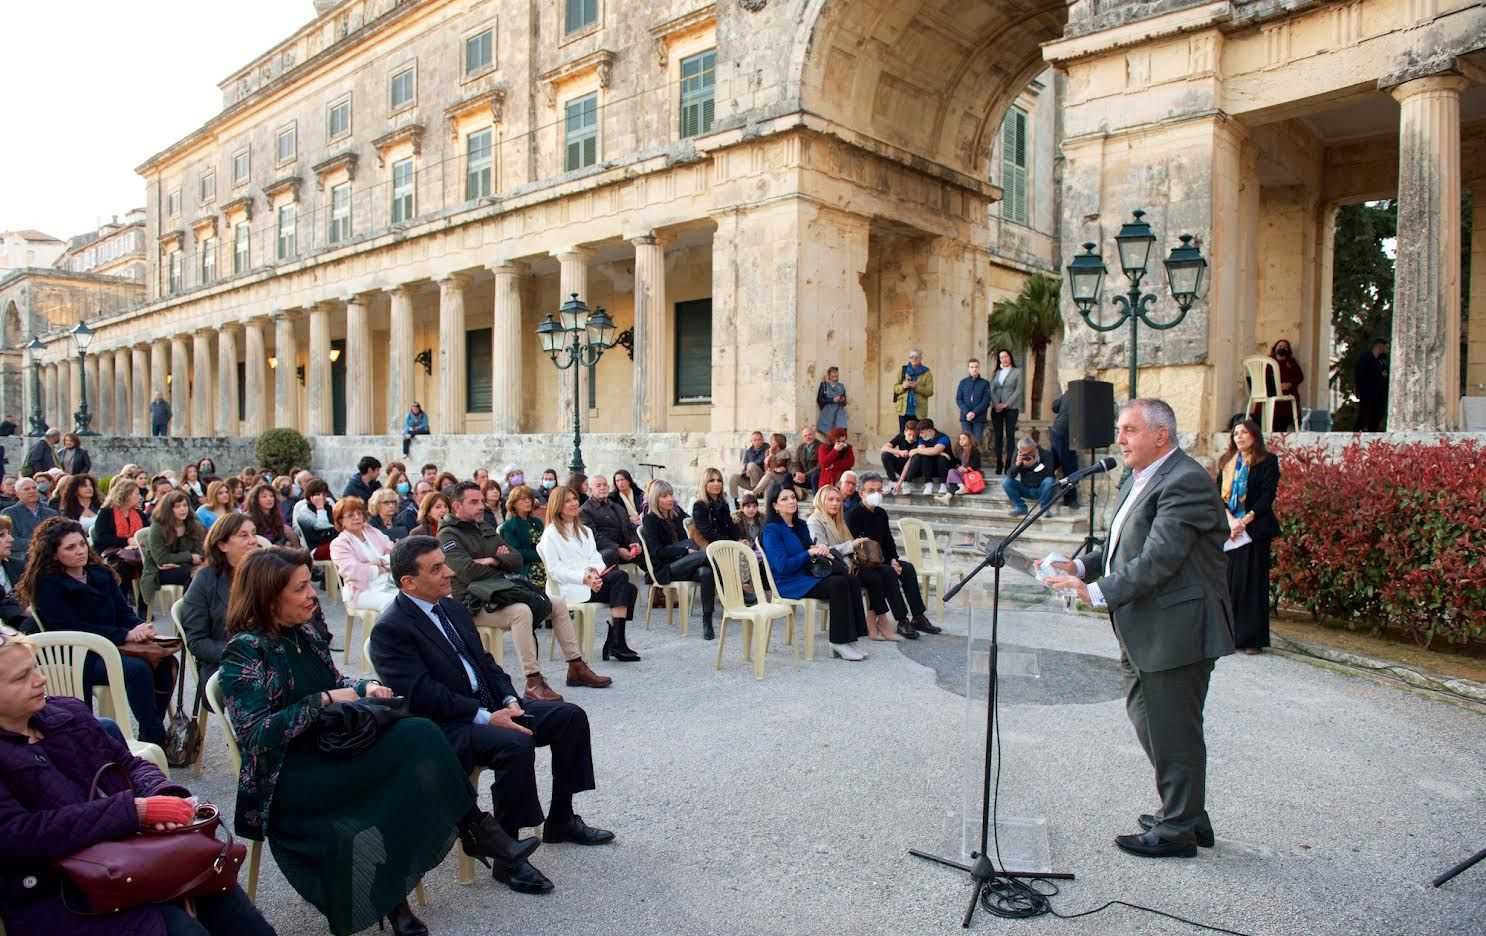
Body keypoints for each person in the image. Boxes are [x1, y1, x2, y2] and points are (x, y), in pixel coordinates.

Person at [219, 547, 522, 936]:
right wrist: (321, 702)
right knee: (396, 781)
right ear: (268, 596)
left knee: (420, 731)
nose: (313, 594)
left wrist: (366, 685)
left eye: (310, 583)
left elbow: (334, 681)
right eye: (300, 588)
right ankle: (404, 896)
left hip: (332, 748)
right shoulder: (245, 650)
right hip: (290, 775)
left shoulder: (305, 632)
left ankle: (473, 828)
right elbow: (256, 734)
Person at [1040, 398, 1235, 858]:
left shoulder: (1185, 480)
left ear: (1160, 436)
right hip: (1144, 626)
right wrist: (1081, 566)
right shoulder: (1138, 478)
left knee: (1175, 729)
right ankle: (1186, 812)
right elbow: (1118, 547)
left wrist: (1095, 591)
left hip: (1177, 628)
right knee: (1150, 719)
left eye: (1129, 430)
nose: (1120, 439)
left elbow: (1158, 560)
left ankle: (1178, 829)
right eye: (1119, 429)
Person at [370, 537, 610, 898]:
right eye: (436, 568)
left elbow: (485, 663)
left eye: (444, 563)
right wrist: (485, 716)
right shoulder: (391, 629)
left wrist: (510, 699)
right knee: (514, 742)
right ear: (408, 582)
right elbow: (423, 696)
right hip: (446, 727)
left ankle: (561, 819)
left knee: (569, 717)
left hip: (489, 708)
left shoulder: (450, 608)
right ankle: (507, 856)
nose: (449, 571)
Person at [0, 626, 280, 936]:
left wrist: (163, 795)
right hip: (62, 890)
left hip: (136, 854)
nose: (40, 679)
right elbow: (17, 836)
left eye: (35, 668)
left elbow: (129, 764)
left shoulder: (66, 713)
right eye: (20, 678)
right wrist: (136, 811)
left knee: (241, 917)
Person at [442, 482, 608, 700]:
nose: (481, 506)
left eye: (481, 501)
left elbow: (516, 559)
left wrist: (493, 559)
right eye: (474, 502)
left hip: (504, 592)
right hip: (475, 602)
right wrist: (500, 562)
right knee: (521, 611)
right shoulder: (448, 535)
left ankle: (576, 667)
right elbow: (467, 571)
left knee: (556, 603)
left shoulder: (484, 527)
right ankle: (533, 680)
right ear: (457, 506)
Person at [19, 518, 176, 747]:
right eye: (70, 548)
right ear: (54, 554)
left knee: (167, 662)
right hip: (80, 656)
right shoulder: (48, 584)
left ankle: (150, 731)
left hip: (114, 645)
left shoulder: (98, 573)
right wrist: (124, 635)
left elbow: (123, 610)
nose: (80, 551)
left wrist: (139, 628)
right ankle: (156, 738)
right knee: (137, 669)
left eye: (82, 544)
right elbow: (72, 628)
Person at [760, 484, 870, 660]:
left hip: (806, 575)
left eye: (793, 497)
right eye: (784, 499)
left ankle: (850, 639)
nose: (791, 501)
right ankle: (838, 642)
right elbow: (782, 566)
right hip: (788, 582)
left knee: (850, 579)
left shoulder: (800, 525)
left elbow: (809, 549)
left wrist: (820, 549)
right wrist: (809, 553)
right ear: (775, 505)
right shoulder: (772, 530)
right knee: (838, 584)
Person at [540, 486, 640, 662]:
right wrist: (584, 577)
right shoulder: (551, 534)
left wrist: (595, 573)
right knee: (622, 580)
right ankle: (616, 643)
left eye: (574, 499)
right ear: (557, 505)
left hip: (592, 581)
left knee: (628, 587)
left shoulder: (584, 530)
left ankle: (615, 642)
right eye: (567, 501)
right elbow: (555, 570)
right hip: (569, 587)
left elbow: (595, 556)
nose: (573, 503)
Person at [809, 485, 908, 641]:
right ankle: (880, 623)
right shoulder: (815, 521)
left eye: (838, 500)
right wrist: (852, 545)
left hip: (847, 565)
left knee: (886, 571)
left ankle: (880, 621)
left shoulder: (838, 520)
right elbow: (823, 550)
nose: (835, 504)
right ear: (821, 500)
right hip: (830, 570)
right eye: (830, 500)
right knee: (874, 577)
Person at [847, 473, 940, 636]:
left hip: (883, 561)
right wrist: (887, 564)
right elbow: (860, 547)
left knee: (908, 568)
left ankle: (918, 616)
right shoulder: (853, 515)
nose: (876, 494)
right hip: (864, 564)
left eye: (878, 490)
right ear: (861, 492)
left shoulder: (881, 513)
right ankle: (902, 620)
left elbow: (888, 540)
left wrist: (894, 560)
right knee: (889, 572)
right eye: (871, 490)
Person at [1218, 418, 1280, 655]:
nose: (1239, 437)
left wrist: (1245, 520)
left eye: (1244, 433)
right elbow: (1219, 496)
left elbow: (1267, 494)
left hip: (1254, 530)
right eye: (1235, 434)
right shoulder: (1227, 463)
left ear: (1254, 435)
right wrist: (1231, 521)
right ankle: (1228, 635)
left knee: (1252, 583)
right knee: (1230, 582)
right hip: (1231, 529)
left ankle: (1252, 639)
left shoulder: (1267, 461)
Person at [179, 512, 259, 677]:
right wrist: (241, 654)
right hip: (228, 664)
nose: (253, 540)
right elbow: (197, 641)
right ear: (223, 545)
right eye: (243, 535)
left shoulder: (266, 573)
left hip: (272, 658)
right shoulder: (205, 580)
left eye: (254, 533)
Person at [640, 480, 718, 640]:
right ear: (655, 499)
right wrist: (685, 551)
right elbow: (658, 552)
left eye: (670, 495)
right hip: (665, 569)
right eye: (664, 496)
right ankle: (733, 588)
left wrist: (688, 551)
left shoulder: (674, 516)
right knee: (708, 554)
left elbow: (688, 537)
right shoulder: (650, 520)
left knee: (706, 572)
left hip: (683, 564)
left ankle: (707, 620)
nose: (669, 499)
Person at [329, 496, 398, 613]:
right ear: (340, 521)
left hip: (389, 582)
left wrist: (378, 562)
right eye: (350, 515)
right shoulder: (339, 544)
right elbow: (353, 571)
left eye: (359, 513)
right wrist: (380, 569)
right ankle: (389, 631)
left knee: (414, 597)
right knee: (392, 602)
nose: (357, 517)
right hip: (361, 591)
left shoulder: (371, 531)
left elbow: (395, 553)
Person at [140, 490, 205, 607]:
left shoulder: (193, 525)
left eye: (185, 505)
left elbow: (199, 553)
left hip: (186, 566)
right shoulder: (158, 527)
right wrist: (189, 557)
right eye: (177, 506)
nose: (183, 509)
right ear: (168, 509)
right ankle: (187, 611)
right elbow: (161, 558)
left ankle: (200, 610)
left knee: (204, 572)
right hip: (159, 571)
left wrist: (180, 561)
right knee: (192, 574)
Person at [91, 479, 147, 608]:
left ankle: (144, 606)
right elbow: (102, 537)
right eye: (136, 494)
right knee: (123, 566)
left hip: (136, 550)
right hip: (111, 551)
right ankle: (121, 604)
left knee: (148, 566)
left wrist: (137, 543)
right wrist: (125, 541)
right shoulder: (107, 513)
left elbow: (147, 533)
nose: (140, 497)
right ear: (126, 495)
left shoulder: (139, 513)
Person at [581, 473, 642, 567]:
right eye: (598, 486)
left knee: (647, 545)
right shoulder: (584, 511)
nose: (602, 488)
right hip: (603, 551)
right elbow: (594, 537)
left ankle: (656, 576)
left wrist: (634, 542)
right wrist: (617, 549)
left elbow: (630, 528)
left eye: (605, 485)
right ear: (590, 490)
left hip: (624, 547)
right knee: (610, 554)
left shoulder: (618, 507)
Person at [497, 486, 547, 586]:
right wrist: (542, 555)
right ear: (514, 503)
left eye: (529, 498)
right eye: (523, 499)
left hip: (545, 561)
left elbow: (545, 543)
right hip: (527, 567)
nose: (528, 501)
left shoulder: (537, 522)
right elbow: (517, 552)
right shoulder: (508, 527)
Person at [1001, 436, 1057, 517]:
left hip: (1041, 488)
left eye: (1031, 452)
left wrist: (1035, 465)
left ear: (1035, 447)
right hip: (1025, 488)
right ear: (1020, 451)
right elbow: (1010, 475)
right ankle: (1020, 507)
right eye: (1025, 454)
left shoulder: (1045, 454)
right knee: (1006, 482)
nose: (1028, 455)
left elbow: (1050, 474)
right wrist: (1017, 465)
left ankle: (1045, 509)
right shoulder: (1018, 455)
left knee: (1050, 481)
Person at [988, 348, 1024, 474]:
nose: (1004, 359)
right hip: (996, 408)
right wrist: (996, 403)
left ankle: (1009, 463)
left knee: (1010, 436)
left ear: (1010, 357)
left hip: (1011, 409)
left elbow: (1018, 390)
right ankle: (999, 463)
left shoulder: (1017, 372)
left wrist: (1006, 404)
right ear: (999, 360)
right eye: (1001, 357)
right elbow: (991, 389)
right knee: (997, 436)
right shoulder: (997, 372)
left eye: (1006, 356)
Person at [0, 517, 35, 632]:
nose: (10, 539)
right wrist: (21, 610)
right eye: (1, 535)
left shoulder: (20, 565)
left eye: (9, 533)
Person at [901, 418, 953, 495]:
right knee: (925, 457)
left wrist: (936, 452)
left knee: (941, 458)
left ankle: (944, 484)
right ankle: (928, 484)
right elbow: (919, 451)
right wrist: (940, 452)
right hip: (930, 468)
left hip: (944, 468)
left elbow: (935, 451)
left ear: (929, 431)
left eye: (922, 432)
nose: (920, 435)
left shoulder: (943, 437)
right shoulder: (922, 438)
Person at [690, 468, 739, 546]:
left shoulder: (724, 503)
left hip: (725, 544)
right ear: (704, 484)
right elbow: (708, 533)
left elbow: (730, 525)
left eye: (719, 480)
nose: (716, 484)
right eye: (711, 480)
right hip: (711, 548)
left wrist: (739, 539)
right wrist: (730, 543)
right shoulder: (699, 506)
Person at [1264, 339, 1304, 432]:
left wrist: (1289, 384)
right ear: (1275, 348)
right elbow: (1264, 378)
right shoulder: (1269, 362)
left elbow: (1299, 377)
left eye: (1285, 347)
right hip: (1272, 392)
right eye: (1280, 346)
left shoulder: (1292, 363)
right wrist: (1276, 386)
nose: (1283, 348)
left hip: (1287, 392)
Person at [1048, 393, 1079, 509]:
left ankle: (1039, 485)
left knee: (1052, 463)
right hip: (1064, 434)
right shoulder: (1086, 394)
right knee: (1070, 466)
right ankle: (1070, 499)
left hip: (1056, 430)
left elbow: (1054, 406)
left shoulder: (1068, 393)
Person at [292, 478, 337, 558]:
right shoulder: (303, 514)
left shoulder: (329, 507)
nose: (321, 497)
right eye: (318, 495)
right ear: (310, 496)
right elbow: (322, 526)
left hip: (332, 541)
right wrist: (320, 508)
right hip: (316, 548)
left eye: (324, 494)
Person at [892, 349, 934, 432]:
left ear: (921, 358)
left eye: (916, 357)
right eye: (911, 357)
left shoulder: (926, 372)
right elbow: (896, 389)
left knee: (919, 435)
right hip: (904, 410)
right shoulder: (903, 370)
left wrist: (917, 387)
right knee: (903, 435)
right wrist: (903, 386)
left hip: (919, 411)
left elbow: (930, 392)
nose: (913, 359)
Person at [1354, 337, 1389, 432]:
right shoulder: (1365, 359)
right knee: (1364, 418)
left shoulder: (1381, 362)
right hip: (1368, 394)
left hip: (1379, 396)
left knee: (1375, 419)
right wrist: (1379, 374)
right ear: (1379, 346)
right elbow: (1362, 375)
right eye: (1386, 348)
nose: (1387, 351)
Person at [246, 482, 296, 546]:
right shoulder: (250, 518)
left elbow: (282, 535)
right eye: (264, 496)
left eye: (271, 496)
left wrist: (278, 545)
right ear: (256, 500)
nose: (269, 499)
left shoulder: (275, 514)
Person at [955, 357, 993, 440]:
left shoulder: (985, 383)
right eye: (972, 367)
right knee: (966, 441)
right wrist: (967, 412)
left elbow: (986, 401)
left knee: (976, 441)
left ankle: (976, 453)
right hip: (965, 417)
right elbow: (959, 399)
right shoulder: (963, 383)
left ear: (979, 368)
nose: (974, 369)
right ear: (968, 369)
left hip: (979, 418)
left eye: (976, 367)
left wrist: (974, 413)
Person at [728, 431, 769, 501]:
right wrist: (745, 473)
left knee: (751, 465)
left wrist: (749, 468)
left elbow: (761, 460)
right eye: (755, 440)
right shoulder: (748, 451)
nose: (757, 442)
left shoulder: (767, 448)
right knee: (733, 477)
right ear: (751, 441)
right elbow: (744, 466)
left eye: (759, 439)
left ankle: (758, 492)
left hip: (763, 480)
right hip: (751, 481)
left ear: (763, 440)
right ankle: (734, 500)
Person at [879, 418, 918, 486]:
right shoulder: (901, 436)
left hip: (914, 469)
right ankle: (893, 481)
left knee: (916, 458)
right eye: (909, 435)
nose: (912, 438)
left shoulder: (920, 439)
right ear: (905, 432)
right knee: (885, 455)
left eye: (914, 435)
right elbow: (883, 448)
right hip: (901, 465)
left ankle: (906, 483)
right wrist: (899, 452)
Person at [944, 431, 983, 496]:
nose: (961, 441)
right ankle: (948, 496)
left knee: (951, 473)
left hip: (970, 474)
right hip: (962, 474)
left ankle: (954, 492)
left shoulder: (974, 451)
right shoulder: (960, 451)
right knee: (952, 473)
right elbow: (957, 462)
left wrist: (966, 469)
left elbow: (976, 465)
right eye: (960, 439)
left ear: (970, 440)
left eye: (964, 439)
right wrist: (959, 467)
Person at [816, 366, 848, 432]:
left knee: (840, 433)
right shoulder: (824, 385)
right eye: (833, 376)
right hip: (827, 414)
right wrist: (832, 400)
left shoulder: (841, 386)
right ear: (829, 375)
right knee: (829, 436)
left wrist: (843, 400)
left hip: (839, 415)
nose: (835, 377)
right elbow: (819, 399)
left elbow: (845, 402)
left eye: (836, 375)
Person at [791, 424, 822, 490]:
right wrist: (797, 473)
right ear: (803, 438)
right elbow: (796, 463)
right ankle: (792, 495)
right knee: (787, 477)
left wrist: (805, 475)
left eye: (809, 434)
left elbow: (820, 466)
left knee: (815, 476)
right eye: (805, 436)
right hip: (803, 478)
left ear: (814, 434)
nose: (808, 437)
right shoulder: (800, 448)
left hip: (816, 478)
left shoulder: (821, 446)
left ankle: (816, 498)